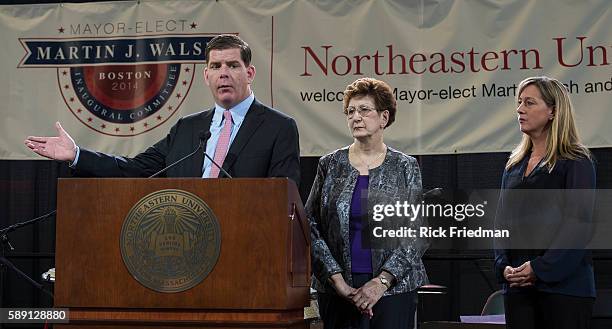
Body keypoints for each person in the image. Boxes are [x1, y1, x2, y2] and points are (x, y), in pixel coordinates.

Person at [24, 34, 300, 185]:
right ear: (206, 76)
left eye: (233, 65)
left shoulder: (278, 127)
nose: (223, 73)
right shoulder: (188, 128)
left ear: (249, 72)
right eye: (216, 67)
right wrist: (77, 156)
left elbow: (281, 199)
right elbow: (134, 170)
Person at [306, 77, 427, 329]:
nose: (355, 117)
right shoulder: (329, 164)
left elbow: (416, 231)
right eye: (350, 111)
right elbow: (310, 224)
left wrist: (382, 282)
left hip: (393, 291)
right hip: (338, 290)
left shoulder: (405, 166)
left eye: (364, 110)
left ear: (384, 118)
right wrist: (334, 278)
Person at [494, 76, 596, 329]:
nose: (520, 109)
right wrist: (504, 266)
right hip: (518, 289)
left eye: (529, 103)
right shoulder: (514, 165)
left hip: (564, 290)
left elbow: (578, 225)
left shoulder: (576, 161)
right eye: (519, 102)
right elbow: (500, 224)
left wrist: (540, 269)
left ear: (553, 111)